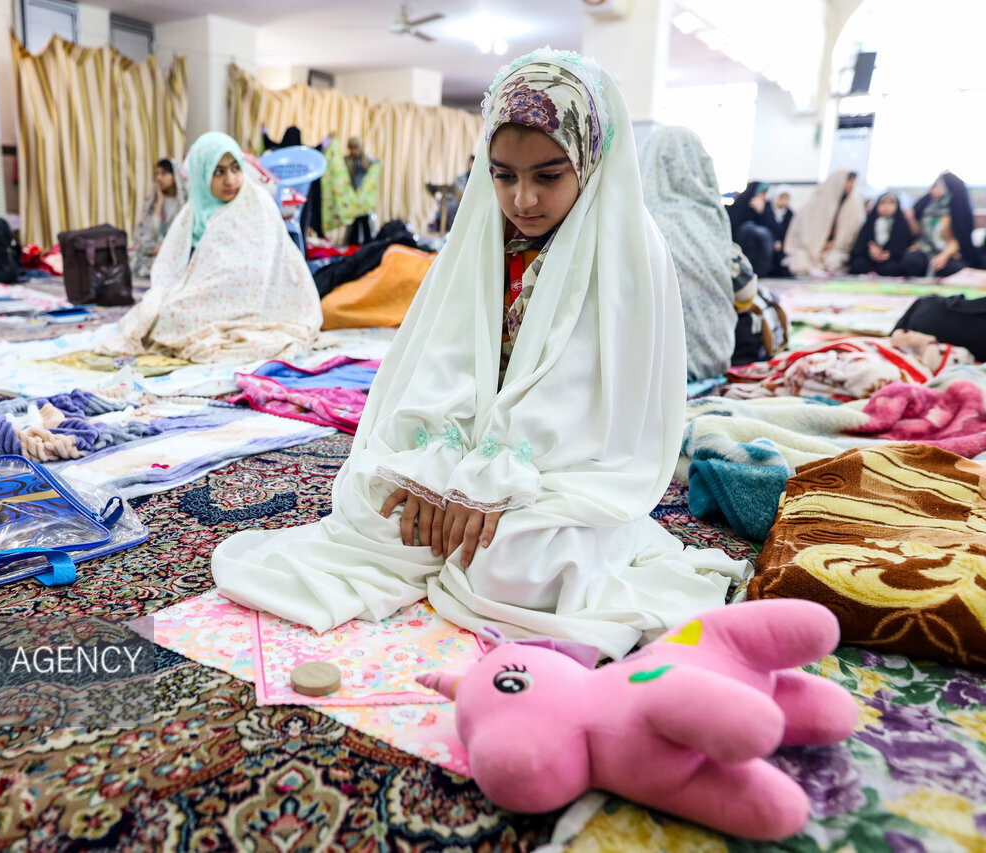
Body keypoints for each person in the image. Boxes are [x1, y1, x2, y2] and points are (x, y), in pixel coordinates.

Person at [211, 49, 746, 659]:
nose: (523, 199)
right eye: (502, 175)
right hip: (471, 445)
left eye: (548, 176)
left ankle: (498, 535)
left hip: (563, 462)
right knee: (374, 500)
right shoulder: (483, 234)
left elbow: (597, 403)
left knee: (512, 560)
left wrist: (498, 479)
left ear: (590, 161)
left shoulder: (628, 247)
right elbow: (444, 357)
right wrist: (435, 464)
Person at [96, 132, 321, 363]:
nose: (230, 180)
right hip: (207, 295)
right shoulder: (192, 212)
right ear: (201, 174)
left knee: (174, 319)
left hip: (257, 297)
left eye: (235, 168)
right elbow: (174, 267)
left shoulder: (257, 203)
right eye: (218, 172)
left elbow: (260, 266)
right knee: (166, 313)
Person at [639, 126, 738, 380]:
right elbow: (744, 288)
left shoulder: (631, 218)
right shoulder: (708, 214)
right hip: (716, 358)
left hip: (651, 376)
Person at [782, 170, 865, 276]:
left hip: (836, 250)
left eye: (853, 182)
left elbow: (851, 235)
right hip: (810, 248)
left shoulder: (854, 205)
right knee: (799, 261)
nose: (851, 185)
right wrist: (819, 245)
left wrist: (834, 244)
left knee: (833, 261)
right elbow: (804, 231)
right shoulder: (817, 201)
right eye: (849, 181)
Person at [909, 172, 979, 276]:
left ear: (946, 188)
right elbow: (918, 233)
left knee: (956, 268)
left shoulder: (956, 210)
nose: (933, 190)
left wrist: (944, 256)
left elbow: (959, 239)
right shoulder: (926, 207)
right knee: (911, 261)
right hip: (925, 250)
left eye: (937, 187)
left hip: (949, 251)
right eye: (933, 186)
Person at [130, 158, 186, 279]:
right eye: (157, 174)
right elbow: (150, 231)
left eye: (164, 174)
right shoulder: (154, 201)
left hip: (175, 251)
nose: (158, 178)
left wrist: (166, 248)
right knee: (133, 259)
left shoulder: (184, 204)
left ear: (175, 175)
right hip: (156, 250)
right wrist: (160, 202)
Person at [848, 191, 914, 276]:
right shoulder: (869, 223)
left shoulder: (901, 224)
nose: (886, 207)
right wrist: (870, 252)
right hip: (870, 260)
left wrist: (889, 254)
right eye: (883, 203)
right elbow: (860, 245)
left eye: (891, 203)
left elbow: (904, 245)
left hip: (891, 260)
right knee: (858, 264)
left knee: (896, 267)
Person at [727, 181, 775, 277]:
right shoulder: (740, 205)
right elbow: (732, 225)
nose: (764, 197)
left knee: (761, 232)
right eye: (762, 194)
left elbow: (773, 230)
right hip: (741, 247)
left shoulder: (766, 207)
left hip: (760, 254)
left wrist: (762, 212)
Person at [346, 137, 379, 244]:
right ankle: (353, 244)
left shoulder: (367, 161)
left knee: (365, 221)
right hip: (353, 196)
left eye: (355, 148)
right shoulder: (347, 161)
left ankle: (368, 244)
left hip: (364, 197)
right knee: (354, 222)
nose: (353, 151)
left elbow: (377, 165)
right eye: (351, 148)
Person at [766, 184, 794, 276]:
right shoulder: (767, 210)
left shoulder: (790, 214)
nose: (784, 201)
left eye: (787, 198)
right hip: (768, 242)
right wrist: (774, 240)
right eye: (782, 198)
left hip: (784, 245)